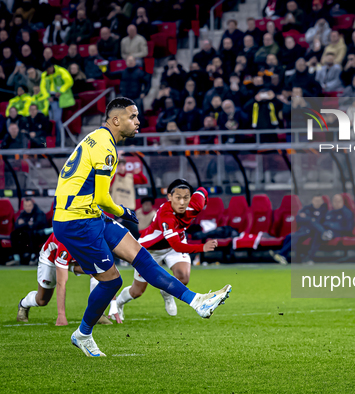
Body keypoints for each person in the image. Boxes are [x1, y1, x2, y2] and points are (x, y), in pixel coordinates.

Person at [52, 97, 232, 357]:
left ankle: (197, 302)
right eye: (132, 117)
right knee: (112, 281)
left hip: (89, 215)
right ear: (116, 120)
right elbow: (104, 198)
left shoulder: (98, 138)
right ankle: (83, 333)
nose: (138, 122)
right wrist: (122, 211)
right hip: (76, 222)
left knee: (142, 257)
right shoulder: (107, 148)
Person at [112, 179, 219, 319]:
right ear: (170, 197)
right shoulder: (166, 215)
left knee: (183, 277)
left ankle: (167, 292)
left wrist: (204, 201)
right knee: (137, 291)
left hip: (175, 243)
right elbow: (177, 245)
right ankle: (118, 304)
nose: (182, 202)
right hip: (151, 250)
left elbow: (202, 191)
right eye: (178, 197)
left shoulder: (195, 204)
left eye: (185, 197)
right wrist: (202, 247)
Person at [16, 234, 112, 326]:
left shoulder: (94, 237)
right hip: (51, 258)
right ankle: (23, 304)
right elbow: (61, 282)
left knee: (99, 272)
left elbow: (109, 273)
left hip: (73, 259)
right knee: (42, 300)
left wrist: (114, 304)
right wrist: (61, 315)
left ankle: (98, 314)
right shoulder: (66, 241)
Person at [270, 195, 328, 265]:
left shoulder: (324, 210)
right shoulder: (307, 208)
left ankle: (281, 254)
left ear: (322, 202)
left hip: (314, 232)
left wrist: (308, 218)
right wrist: (310, 219)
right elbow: (298, 218)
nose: (317, 203)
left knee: (295, 237)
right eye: (315, 201)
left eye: (319, 201)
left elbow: (318, 222)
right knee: (289, 236)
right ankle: (282, 255)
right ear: (312, 201)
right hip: (303, 230)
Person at [40, 62, 74, 147]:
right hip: (50, 100)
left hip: (61, 98)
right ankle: (52, 143)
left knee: (57, 121)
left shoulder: (61, 71)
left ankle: (60, 143)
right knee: (51, 121)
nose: (48, 72)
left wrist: (61, 91)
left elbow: (69, 81)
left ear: (52, 67)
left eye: (48, 70)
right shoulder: (44, 75)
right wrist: (47, 96)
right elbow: (42, 87)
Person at [8, 198, 49, 266]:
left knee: (32, 234)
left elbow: (35, 225)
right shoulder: (23, 213)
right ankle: (16, 258)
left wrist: (24, 224)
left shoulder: (39, 213)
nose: (27, 208)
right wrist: (27, 224)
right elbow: (17, 225)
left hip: (40, 235)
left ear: (33, 205)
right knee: (14, 234)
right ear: (23, 206)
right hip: (26, 235)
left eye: (29, 205)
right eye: (26, 206)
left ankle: (34, 257)